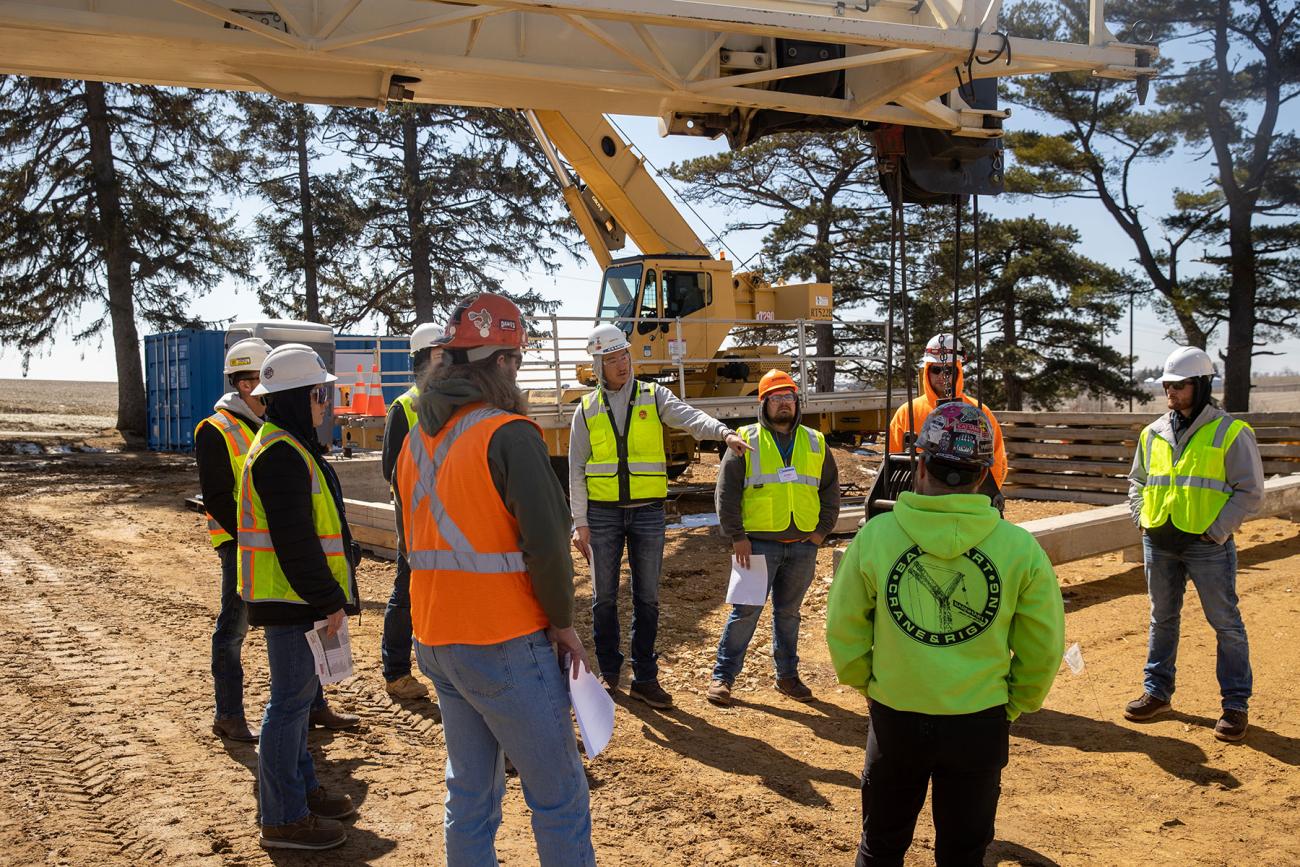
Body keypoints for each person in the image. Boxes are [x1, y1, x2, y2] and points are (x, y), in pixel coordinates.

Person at [396, 293, 595, 866]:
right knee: (559, 797)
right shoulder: (509, 433)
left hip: (436, 638)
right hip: (501, 638)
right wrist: (563, 624)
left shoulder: (416, 439)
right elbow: (549, 547)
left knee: (471, 794)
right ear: (501, 363)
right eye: (517, 360)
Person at [826, 403, 1064, 867]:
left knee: (880, 848)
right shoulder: (1020, 549)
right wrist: (1014, 704)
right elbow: (1043, 647)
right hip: (979, 721)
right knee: (963, 853)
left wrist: (870, 685)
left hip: (896, 717)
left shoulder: (876, 537)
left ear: (919, 464)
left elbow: (844, 629)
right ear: (983, 473)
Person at [569, 322, 752, 708]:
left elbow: (689, 417)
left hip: (648, 514)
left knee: (647, 598)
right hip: (601, 517)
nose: (622, 364)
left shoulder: (653, 396)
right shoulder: (585, 411)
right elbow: (576, 470)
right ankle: (610, 673)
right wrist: (580, 522)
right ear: (598, 365)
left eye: (625, 356)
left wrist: (723, 434)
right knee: (603, 599)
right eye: (612, 359)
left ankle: (645, 678)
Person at [238, 343, 363, 851]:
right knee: (288, 706)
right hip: (292, 600)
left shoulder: (289, 445)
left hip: (298, 598)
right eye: (318, 394)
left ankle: (301, 791)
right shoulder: (281, 455)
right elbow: (294, 543)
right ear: (295, 396)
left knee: (299, 702)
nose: (324, 404)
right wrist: (329, 598)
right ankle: (283, 817)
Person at [1124, 346, 1263, 742]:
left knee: (1225, 623)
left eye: (1178, 385)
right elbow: (1137, 481)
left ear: (1201, 386)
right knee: (1161, 618)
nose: (1170, 391)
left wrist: (1215, 530)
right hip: (1160, 540)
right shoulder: (1153, 433)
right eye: (1167, 384)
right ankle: (1157, 693)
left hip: (1207, 544)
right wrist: (1141, 518)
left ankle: (1235, 704)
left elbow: (1250, 491)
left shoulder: (1231, 432)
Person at [707, 369, 840, 706]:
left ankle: (787, 676)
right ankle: (723, 676)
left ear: (797, 402)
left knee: (789, 613)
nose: (784, 404)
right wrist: (737, 536)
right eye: (777, 398)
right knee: (745, 611)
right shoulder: (744, 439)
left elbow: (830, 490)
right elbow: (727, 493)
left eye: (789, 397)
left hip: (802, 546)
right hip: (756, 544)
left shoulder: (815, 441)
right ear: (763, 404)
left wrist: (822, 531)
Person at [196, 338, 271, 742]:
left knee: (295, 624)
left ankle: (313, 706)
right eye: (265, 378)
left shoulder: (268, 424)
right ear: (246, 383)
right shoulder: (216, 430)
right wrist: (250, 540)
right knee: (234, 628)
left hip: (273, 543)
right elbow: (217, 498)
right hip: (239, 545)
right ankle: (228, 714)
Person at [379, 322, 443, 700]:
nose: (445, 364)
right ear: (421, 361)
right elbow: (391, 468)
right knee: (406, 592)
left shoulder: (453, 404)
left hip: (450, 521)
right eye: (438, 357)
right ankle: (397, 671)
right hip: (417, 520)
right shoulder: (404, 407)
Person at [887, 333, 1008, 496]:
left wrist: (985, 498)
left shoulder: (980, 413)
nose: (942, 376)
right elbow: (892, 460)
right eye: (935, 370)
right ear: (926, 372)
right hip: (919, 502)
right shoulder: (907, 412)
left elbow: (997, 462)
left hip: (967, 502)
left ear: (958, 371)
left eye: (948, 370)